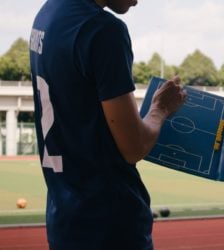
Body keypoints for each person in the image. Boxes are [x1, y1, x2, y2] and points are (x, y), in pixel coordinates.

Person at [29, 0, 187, 249]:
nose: (138, 0)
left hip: (64, 222)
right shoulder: (102, 30)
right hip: (110, 226)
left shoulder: (47, 13)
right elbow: (134, 147)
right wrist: (160, 109)